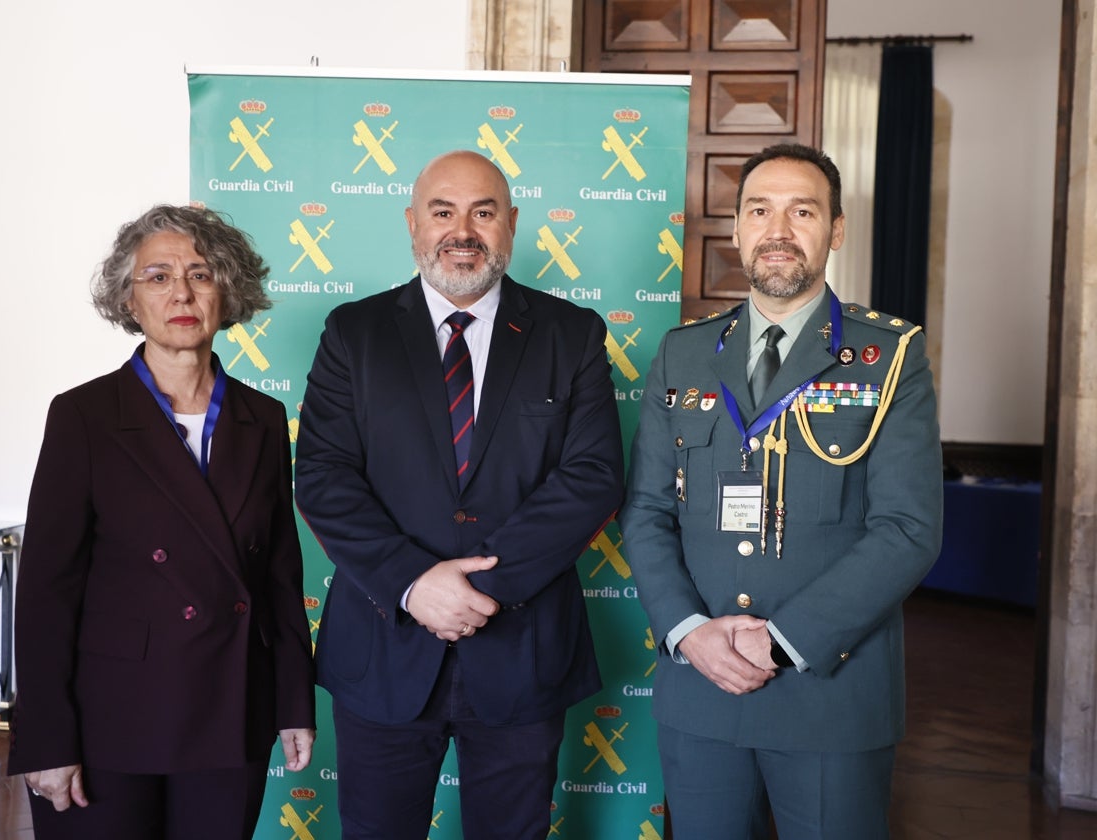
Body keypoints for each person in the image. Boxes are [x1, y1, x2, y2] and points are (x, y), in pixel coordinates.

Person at [292, 149, 624, 839]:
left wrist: (481, 589)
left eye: (484, 211)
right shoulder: (353, 334)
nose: (462, 229)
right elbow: (323, 476)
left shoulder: (574, 334)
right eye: (443, 211)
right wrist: (416, 583)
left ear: (512, 224)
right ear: (413, 224)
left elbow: (591, 478)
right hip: (383, 649)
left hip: (523, 650)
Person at [620, 143, 943, 839]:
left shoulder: (889, 356)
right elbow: (646, 512)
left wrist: (784, 641)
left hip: (829, 693)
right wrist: (690, 633)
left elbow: (908, 529)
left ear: (836, 229)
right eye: (760, 211)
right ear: (735, 229)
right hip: (699, 688)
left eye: (803, 211)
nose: (779, 230)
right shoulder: (682, 352)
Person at [7, 205, 316, 840]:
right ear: (129, 298)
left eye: (201, 274)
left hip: (233, 709)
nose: (181, 292)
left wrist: (293, 703)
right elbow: (46, 590)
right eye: (157, 276)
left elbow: (281, 578)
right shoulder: (84, 416)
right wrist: (46, 738)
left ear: (227, 290)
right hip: (108, 718)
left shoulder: (263, 419)